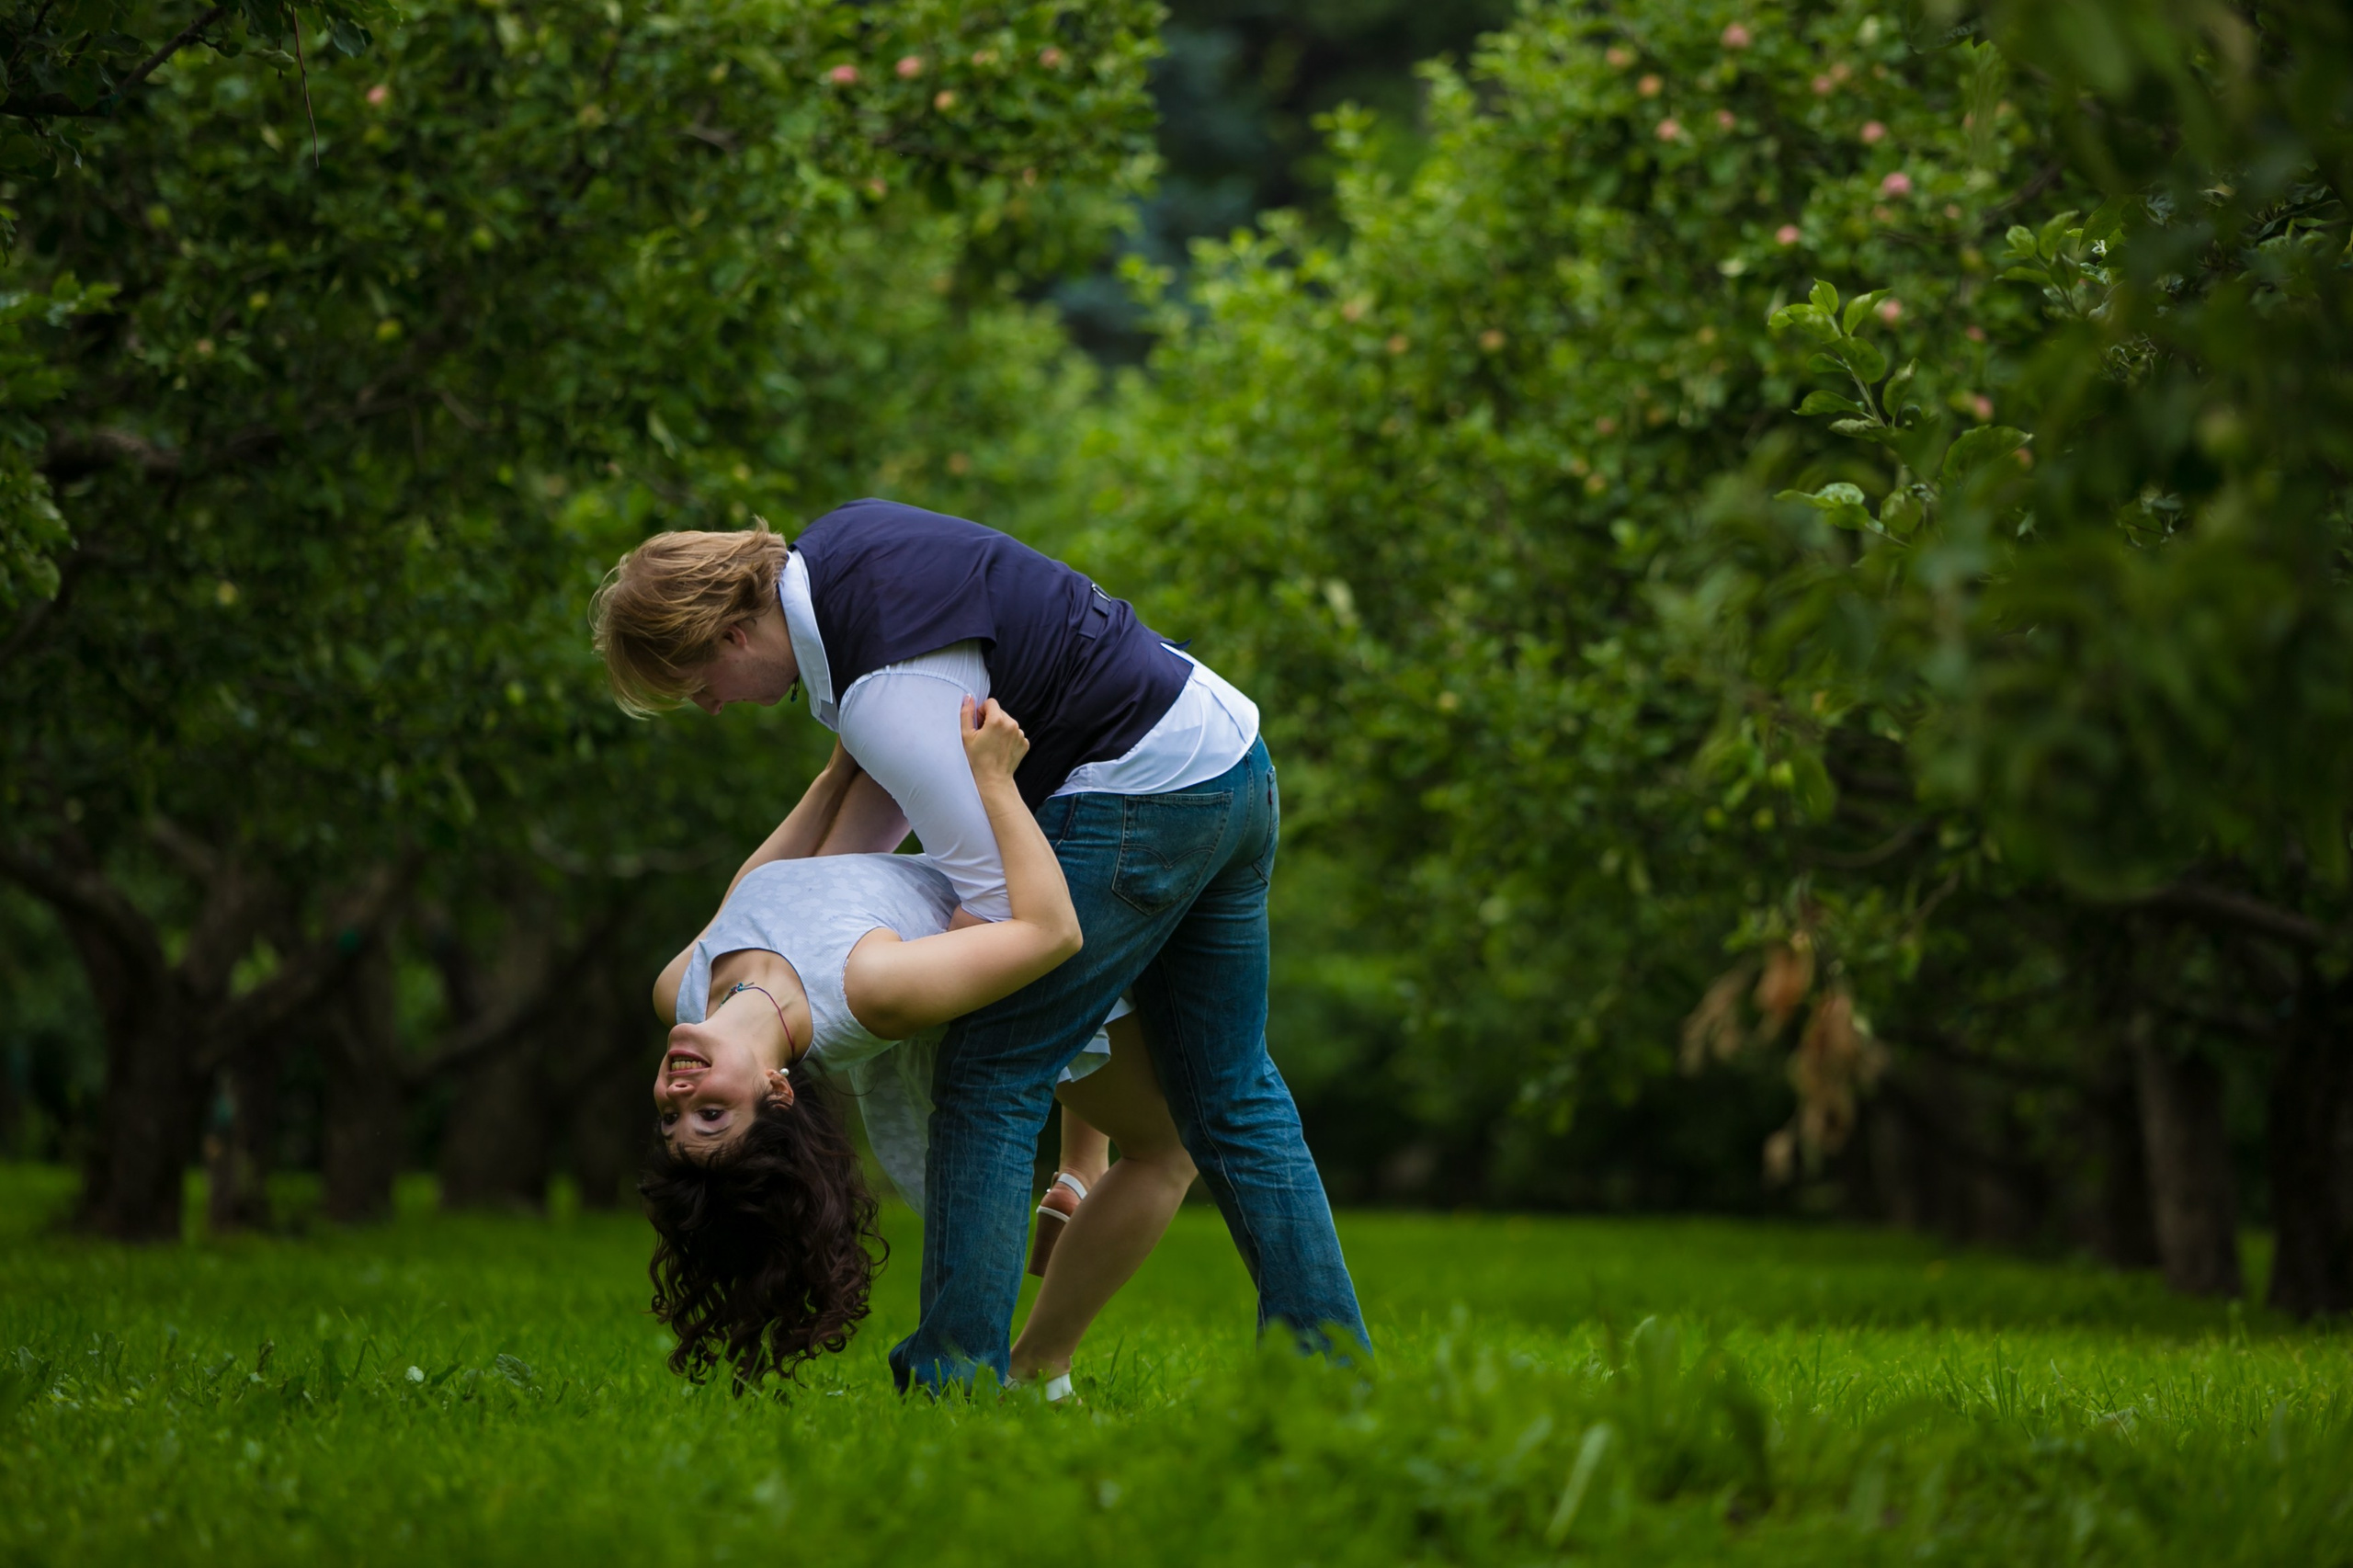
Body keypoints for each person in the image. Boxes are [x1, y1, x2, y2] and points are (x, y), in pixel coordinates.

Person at [595, 499, 1366, 1392]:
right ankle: (1327, 1366)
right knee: (1230, 1093)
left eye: (696, 683)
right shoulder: (845, 548)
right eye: (701, 1118)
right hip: (1224, 752)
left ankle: (953, 1375)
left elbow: (1005, 906)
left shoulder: (877, 698)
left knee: (992, 1077)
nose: (709, 706)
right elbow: (844, 865)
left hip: (1141, 794)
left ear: (731, 633)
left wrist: (951, 801)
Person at [642, 701, 1199, 1394]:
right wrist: (993, 782)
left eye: (670, 1118)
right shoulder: (868, 990)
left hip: (967, 860)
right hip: (1022, 917)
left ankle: (1077, 1172)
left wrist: (849, 752)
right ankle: (1040, 1361)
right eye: (710, 1117)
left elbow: (784, 876)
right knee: (1168, 1150)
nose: (678, 1096)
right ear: (776, 1091)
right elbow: (1051, 933)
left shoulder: (681, 988)